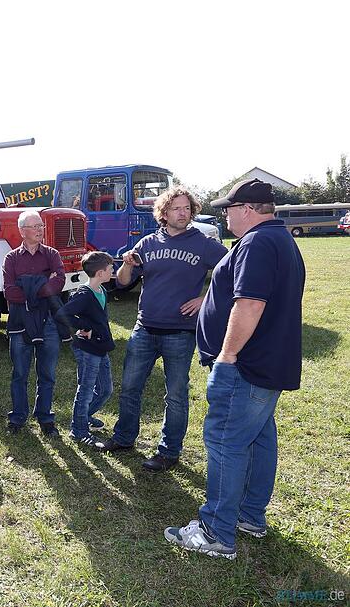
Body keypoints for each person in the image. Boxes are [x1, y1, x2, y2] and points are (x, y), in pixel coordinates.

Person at [165, 178, 305, 560]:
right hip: (265, 365)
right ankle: (249, 516)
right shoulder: (279, 239)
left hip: (245, 366)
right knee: (258, 438)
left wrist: (226, 357)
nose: (224, 216)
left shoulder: (257, 242)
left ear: (245, 209)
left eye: (228, 209)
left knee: (225, 441)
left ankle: (216, 531)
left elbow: (250, 304)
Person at [98, 188, 228, 471]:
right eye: (176, 208)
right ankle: (124, 438)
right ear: (164, 213)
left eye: (187, 208)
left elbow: (233, 271)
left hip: (180, 332)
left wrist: (205, 299)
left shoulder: (203, 244)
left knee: (176, 395)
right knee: (130, 388)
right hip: (144, 328)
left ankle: (168, 452)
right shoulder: (148, 243)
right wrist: (127, 265)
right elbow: (122, 282)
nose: (183, 213)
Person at [3, 209, 65, 437]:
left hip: (48, 322)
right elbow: (9, 292)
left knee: (47, 374)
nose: (40, 230)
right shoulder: (11, 258)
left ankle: (45, 418)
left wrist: (27, 286)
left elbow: (59, 283)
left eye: (41, 226)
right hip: (20, 323)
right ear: (22, 231)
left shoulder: (52, 254)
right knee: (20, 373)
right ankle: (18, 418)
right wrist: (42, 285)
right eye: (35, 226)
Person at [57, 251, 115, 446]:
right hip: (87, 349)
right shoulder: (84, 294)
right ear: (100, 273)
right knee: (86, 390)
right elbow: (62, 314)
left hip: (100, 346)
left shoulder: (102, 290)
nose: (113, 271)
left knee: (105, 389)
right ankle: (78, 430)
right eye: (110, 268)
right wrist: (85, 327)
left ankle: (85, 415)